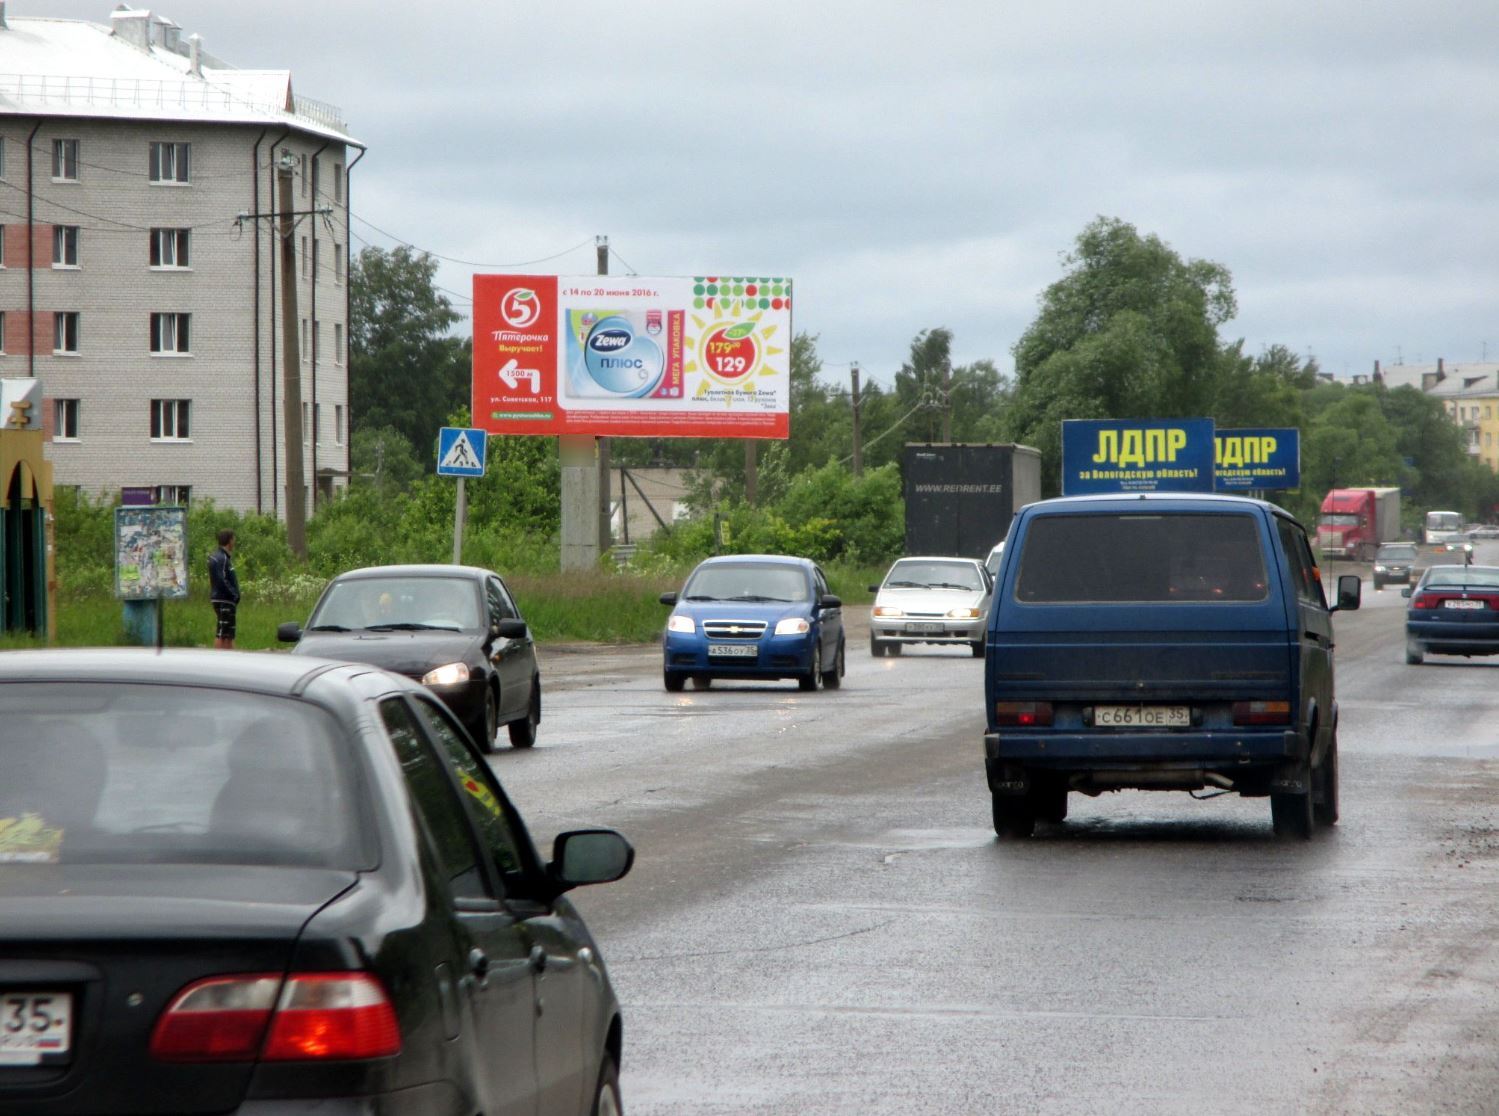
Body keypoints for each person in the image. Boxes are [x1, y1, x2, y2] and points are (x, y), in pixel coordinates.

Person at [207, 529, 241, 649]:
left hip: (221, 598)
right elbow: (222, 579)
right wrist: (233, 594)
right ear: (229, 540)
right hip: (224, 599)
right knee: (223, 633)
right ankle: (219, 658)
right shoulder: (222, 558)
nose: (234, 542)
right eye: (233, 539)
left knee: (228, 633)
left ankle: (230, 657)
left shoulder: (218, 557)